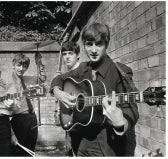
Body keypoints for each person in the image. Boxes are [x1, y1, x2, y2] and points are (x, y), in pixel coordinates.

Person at [50, 22, 139, 156]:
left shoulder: (120, 71)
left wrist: (120, 123)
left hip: (107, 146)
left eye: (98, 44)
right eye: (89, 44)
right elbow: (60, 79)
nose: (93, 49)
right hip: (80, 143)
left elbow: (132, 109)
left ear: (106, 45)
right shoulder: (82, 69)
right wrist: (58, 92)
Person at [10, 53, 38, 156]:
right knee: (18, 152)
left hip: (32, 118)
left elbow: (43, 80)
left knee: (30, 151)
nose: (21, 69)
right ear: (13, 64)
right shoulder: (8, 82)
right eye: (18, 65)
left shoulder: (28, 79)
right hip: (18, 119)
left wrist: (40, 64)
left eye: (24, 66)